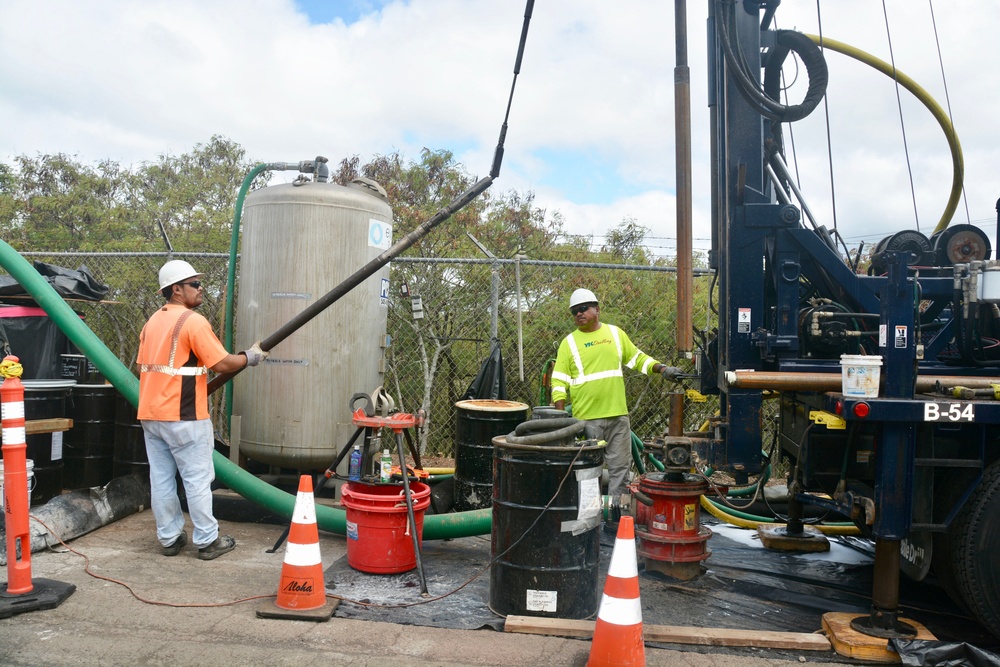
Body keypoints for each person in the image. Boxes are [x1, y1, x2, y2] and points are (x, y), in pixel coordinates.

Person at [137, 260, 268, 560]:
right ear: (176, 289)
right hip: (184, 416)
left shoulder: (152, 322)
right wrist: (250, 357)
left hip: (151, 414)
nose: (200, 289)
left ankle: (169, 538)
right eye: (194, 284)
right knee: (197, 479)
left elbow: (150, 367)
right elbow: (221, 363)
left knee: (161, 479)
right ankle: (208, 541)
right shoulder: (192, 322)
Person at [550, 288, 681, 499]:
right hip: (587, 419)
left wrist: (662, 369)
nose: (579, 314)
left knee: (620, 470)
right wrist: (560, 417)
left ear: (597, 309)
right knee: (587, 471)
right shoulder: (569, 343)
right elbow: (559, 380)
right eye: (574, 312)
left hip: (617, 416)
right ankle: (588, 518)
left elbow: (637, 358)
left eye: (583, 309)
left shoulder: (615, 334)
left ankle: (617, 517)